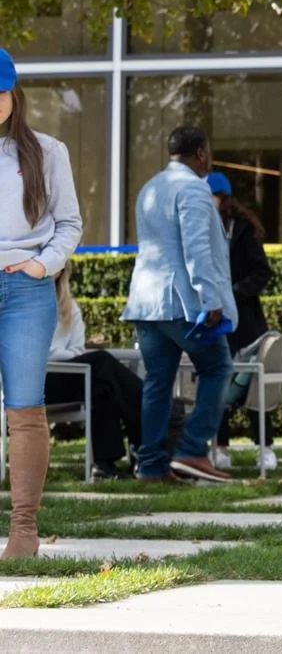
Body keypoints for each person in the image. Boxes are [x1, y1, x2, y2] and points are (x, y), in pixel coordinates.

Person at [0, 47, 84, 558]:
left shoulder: (48, 152)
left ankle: (23, 531)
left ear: (15, 95)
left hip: (27, 293)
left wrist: (41, 266)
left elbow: (70, 223)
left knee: (25, 408)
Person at [121, 125, 237, 485]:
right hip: (181, 303)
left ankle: (152, 466)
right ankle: (191, 449)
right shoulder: (194, 189)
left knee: (158, 381)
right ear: (201, 153)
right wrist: (211, 299)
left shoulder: (150, 188)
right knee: (218, 366)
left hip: (146, 302)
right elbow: (197, 248)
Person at [46, 261, 145, 480]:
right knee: (102, 364)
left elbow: (77, 349)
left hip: (69, 375)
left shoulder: (69, 306)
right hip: (32, 381)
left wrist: (62, 355)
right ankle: (149, 429)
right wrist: (63, 355)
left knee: (102, 387)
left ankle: (104, 465)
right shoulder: (19, 301)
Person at [206, 171, 277, 471]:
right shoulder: (204, 229)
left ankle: (265, 447)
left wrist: (233, 293)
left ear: (223, 198)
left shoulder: (243, 229)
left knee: (253, 384)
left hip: (247, 322)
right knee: (219, 379)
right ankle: (220, 446)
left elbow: (262, 273)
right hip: (217, 320)